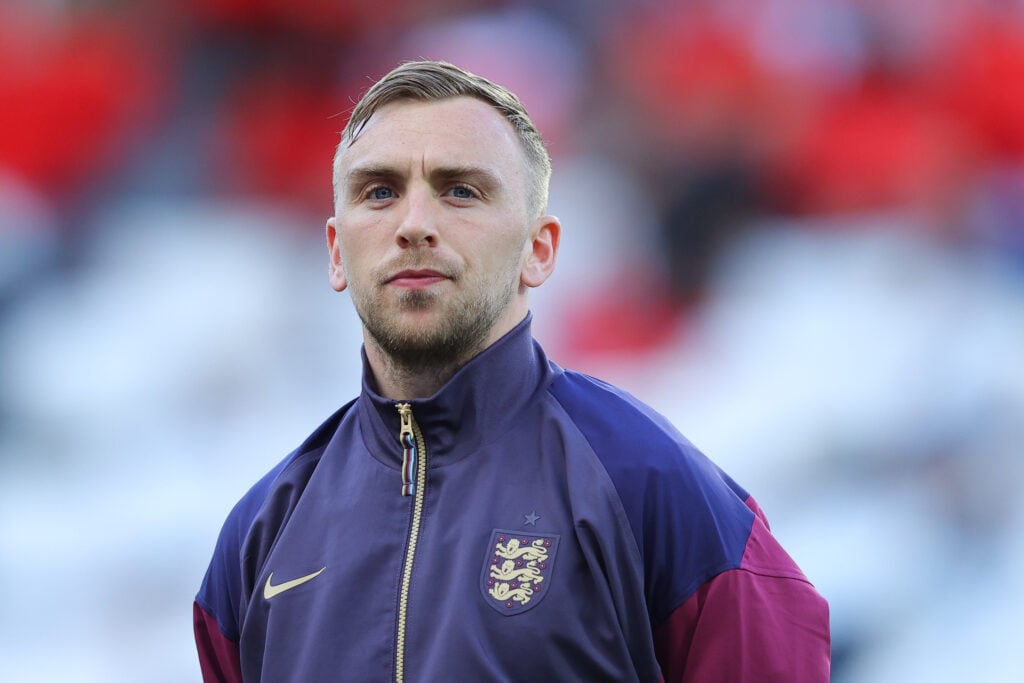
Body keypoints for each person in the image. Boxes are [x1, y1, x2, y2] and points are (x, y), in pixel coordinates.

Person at [193, 60, 830, 682]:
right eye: (380, 192)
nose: (414, 225)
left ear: (538, 249)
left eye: (460, 191)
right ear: (336, 252)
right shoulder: (261, 535)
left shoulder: (648, 485)